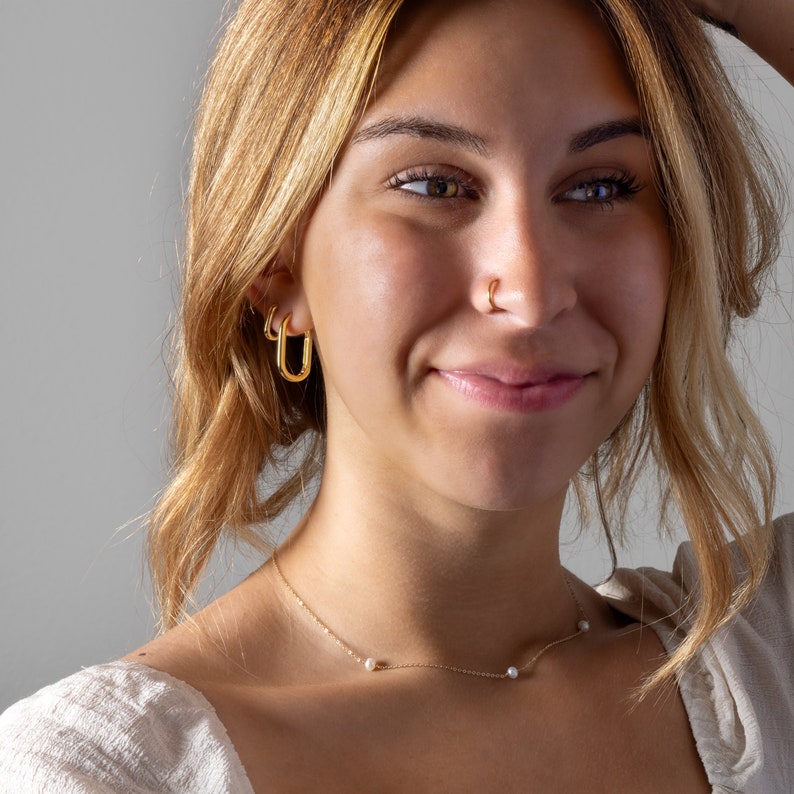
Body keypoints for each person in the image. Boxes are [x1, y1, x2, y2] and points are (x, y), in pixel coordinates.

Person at [1, 0, 792, 790]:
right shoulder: (102, 774)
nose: (530, 289)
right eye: (435, 184)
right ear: (276, 262)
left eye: (600, 188)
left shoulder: (766, 670)